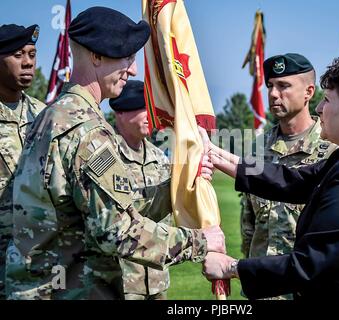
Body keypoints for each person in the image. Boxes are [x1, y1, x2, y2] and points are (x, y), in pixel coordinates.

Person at [6, 7, 224, 300]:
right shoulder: (86, 131)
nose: (133, 70)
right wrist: (200, 241)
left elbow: (98, 204)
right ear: (97, 56)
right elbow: (117, 232)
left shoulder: (51, 116)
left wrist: (179, 182)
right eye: (127, 58)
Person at [202, 51, 339, 299]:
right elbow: (293, 181)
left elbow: (309, 264)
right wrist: (214, 155)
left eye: (327, 100)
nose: (319, 108)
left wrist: (231, 267)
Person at [239, 54, 336, 299]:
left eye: (284, 86)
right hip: (263, 288)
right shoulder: (257, 149)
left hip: (308, 289)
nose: (273, 94)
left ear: (309, 92)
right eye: (270, 85)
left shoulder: (332, 151)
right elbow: (248, 225)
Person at [109, 80, 174, 300]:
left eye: (151, 108)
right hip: (122, 281)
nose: (150, 115)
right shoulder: (107, 157)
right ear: (120, 112)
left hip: (157, 277)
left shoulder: (159, 157)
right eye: (141, 108)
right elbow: (126, 216)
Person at [0, 23, 46, 299]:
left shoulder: (44, 115)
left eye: (32, 54)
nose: (28, 62)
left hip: (37, 262)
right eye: (18, 55)